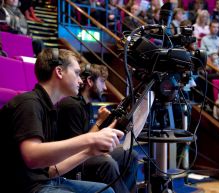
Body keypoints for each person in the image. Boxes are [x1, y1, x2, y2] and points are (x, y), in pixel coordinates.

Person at [0, 48, 124, 193]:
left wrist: (90, 151)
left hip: (46, 181)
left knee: (106, 190)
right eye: (77, 73)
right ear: (59, 72)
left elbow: (52, 170)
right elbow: (32, 156)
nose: (80, 80)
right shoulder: (28, 103)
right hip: (26, 188)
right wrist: (91, 138)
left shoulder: (50, 109)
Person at [56, 63, 139, 193]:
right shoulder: (71, 105)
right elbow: (78, 146)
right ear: (90, 81)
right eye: (102, 82)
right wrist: (99, 122)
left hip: (83, 153)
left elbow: (89, 136)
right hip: (70, 162)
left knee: (130, 155)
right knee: (107, 164)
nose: (105, 87)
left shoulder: (86, 104)